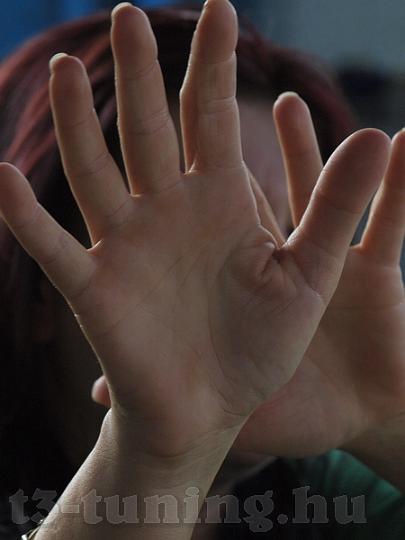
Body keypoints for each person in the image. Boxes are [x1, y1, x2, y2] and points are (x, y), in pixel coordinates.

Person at [0, 1, 403, 538]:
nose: (272, 287)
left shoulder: (339, 497)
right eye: (196, 244)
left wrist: (387, 419)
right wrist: (159, 455)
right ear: (34, 291)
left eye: (298, 237)